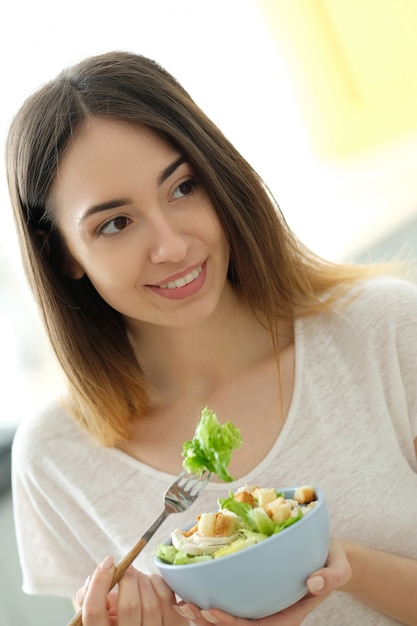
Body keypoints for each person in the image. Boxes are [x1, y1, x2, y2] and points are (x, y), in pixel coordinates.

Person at [6, 50, 417, 625]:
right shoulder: (56, 458)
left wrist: (343, 569)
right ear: (64, 256)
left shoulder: (385, 331)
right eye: (115, 223)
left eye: (183, 187)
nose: (171, 245)